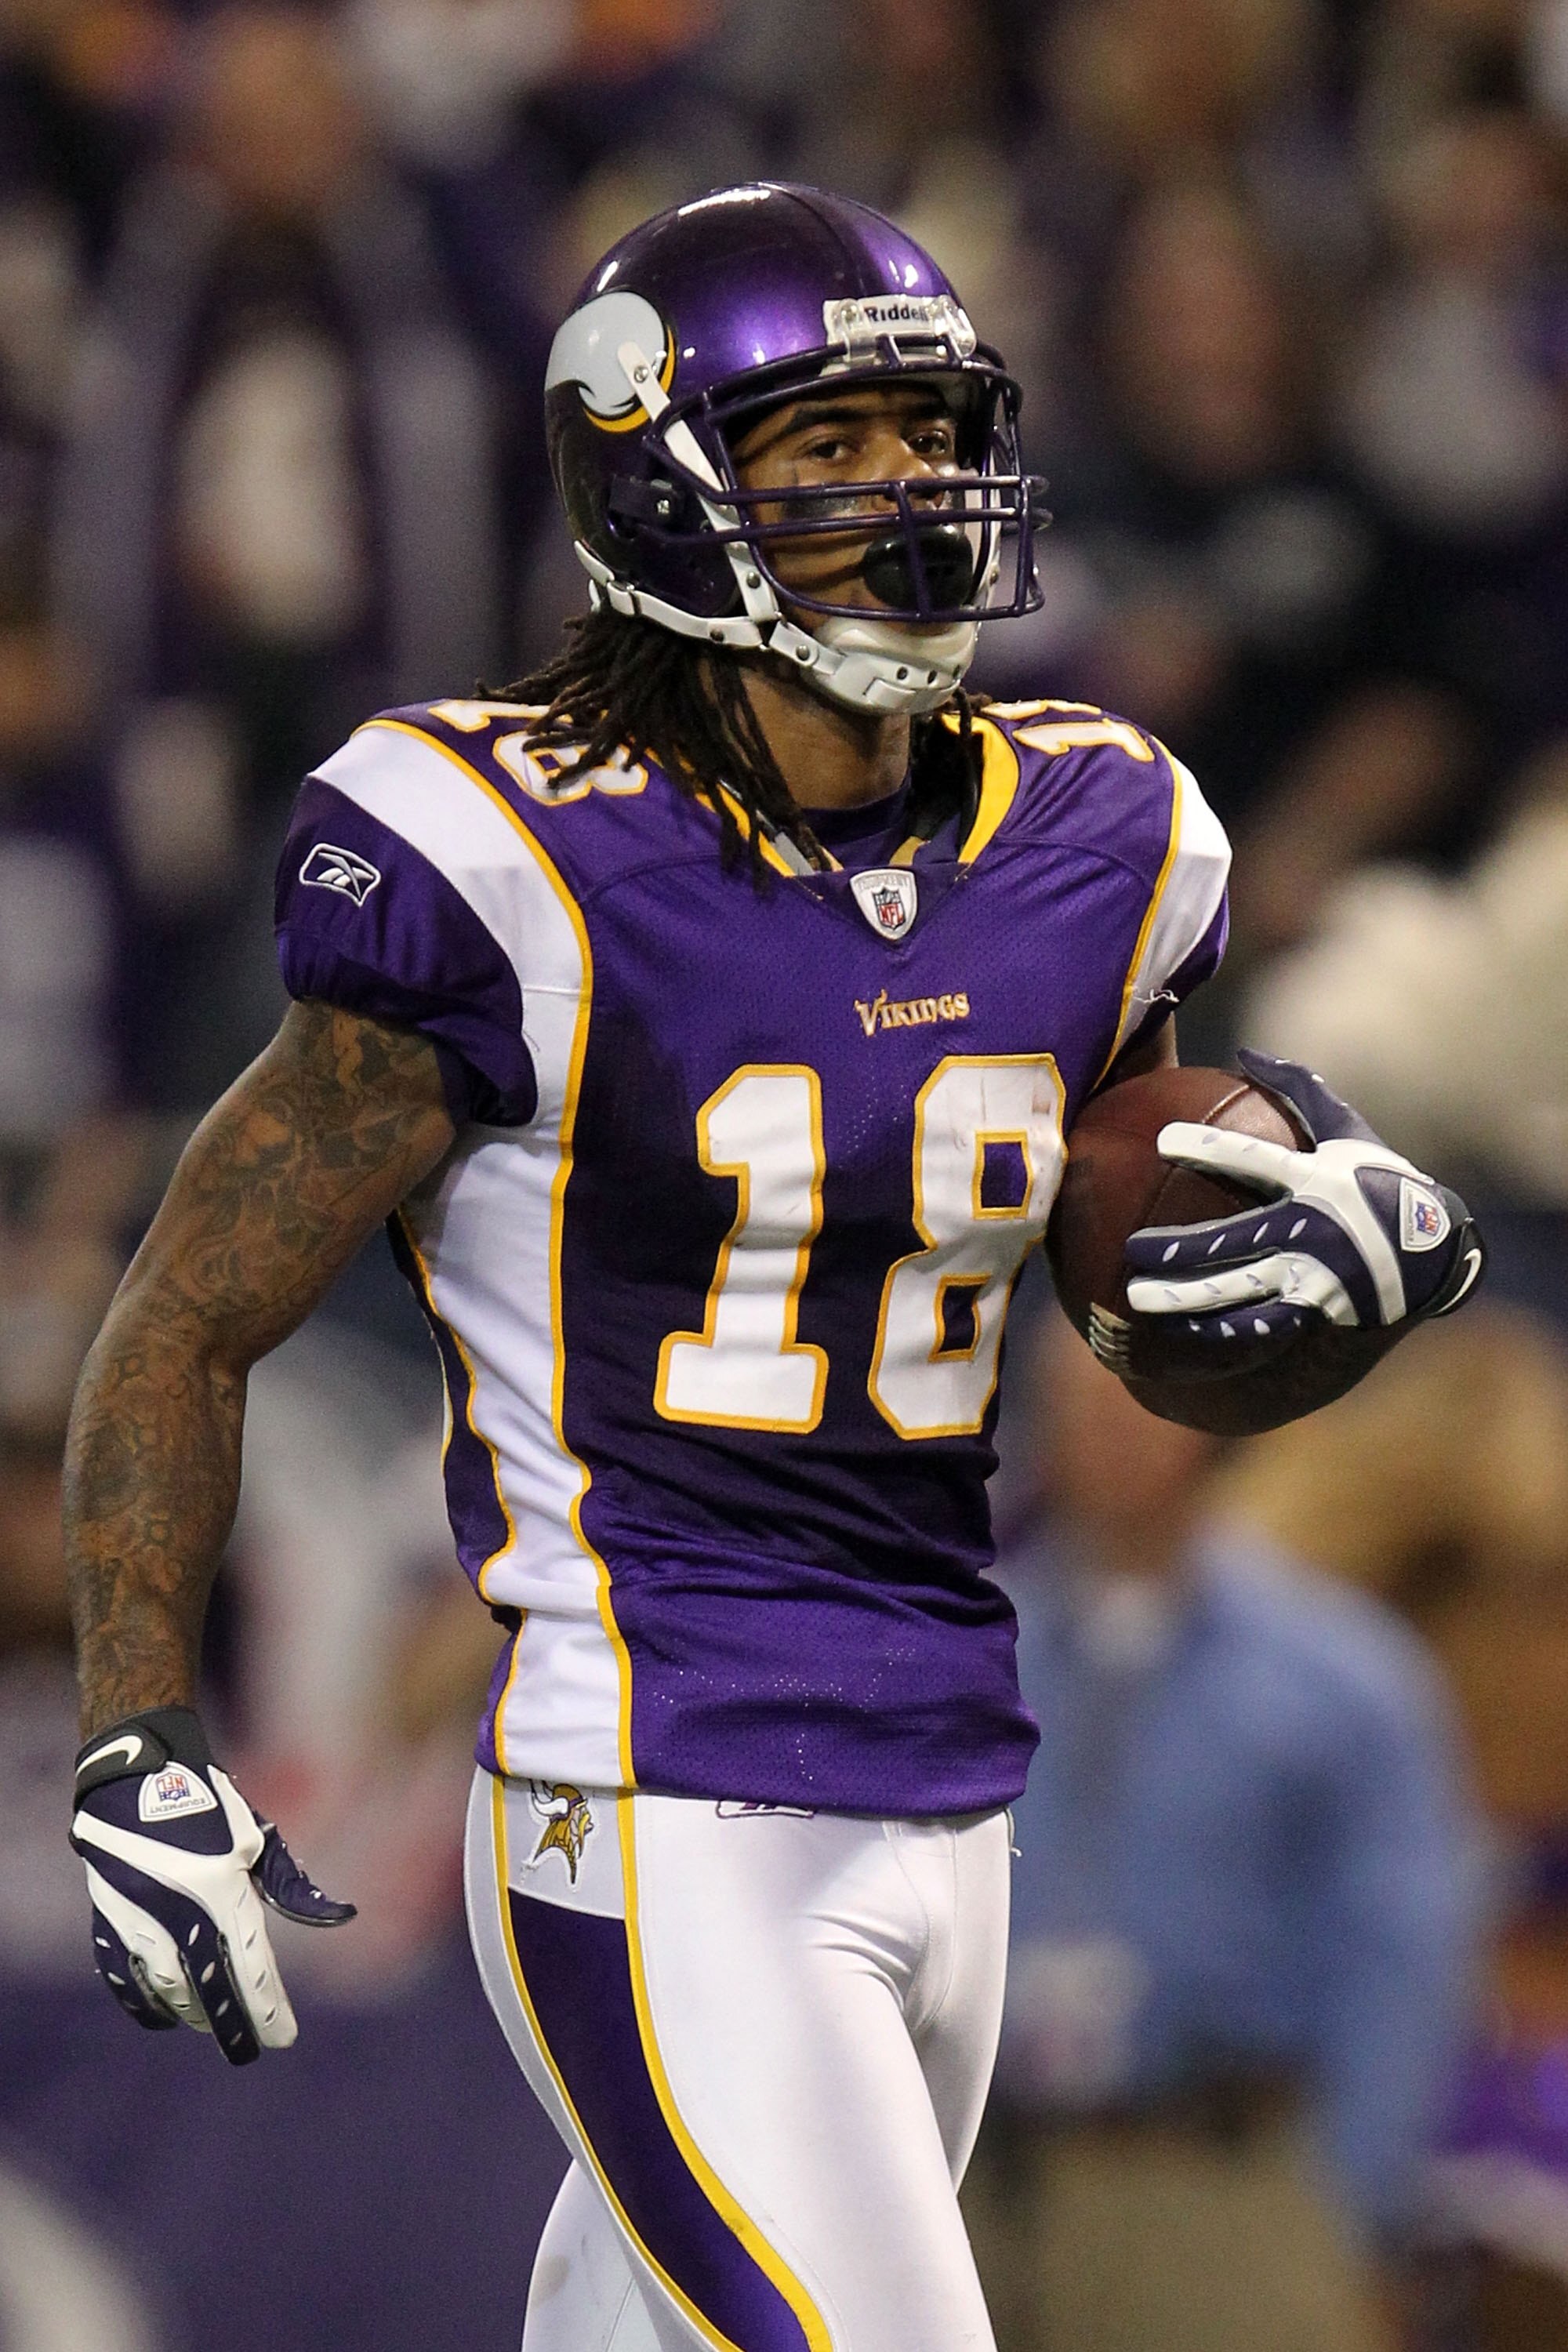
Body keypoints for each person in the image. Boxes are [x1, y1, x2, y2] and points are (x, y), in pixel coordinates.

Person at [62, 183, 1484, 2352]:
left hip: (949, 1763)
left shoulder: (1100, 838)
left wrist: (1298, 1188)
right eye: (829, 448)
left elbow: (1120, 1272)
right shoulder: (505, 851)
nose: (907, 491)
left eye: (927, 434)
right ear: (662, 480)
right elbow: (186, 1306)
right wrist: (140, 1735)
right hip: (656, 1783)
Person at [964, 1323, 1482, 2352]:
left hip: (1216, 2179)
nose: (1110, 1434)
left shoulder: (1338, 1679)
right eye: (1078, 1400)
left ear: (1203, 1418)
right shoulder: (970, 1661)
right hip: (996, 2181)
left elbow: (1404, 1960)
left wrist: (1343, 2213)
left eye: (1134, 1400)